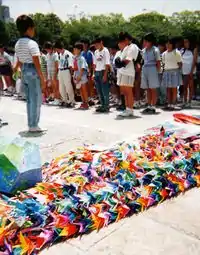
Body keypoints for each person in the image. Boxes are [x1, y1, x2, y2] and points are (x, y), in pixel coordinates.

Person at [14, 15, 45, 132]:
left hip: (25, 71)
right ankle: (34, 125)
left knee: (29, 100)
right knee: (36, 99)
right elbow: (36, 61)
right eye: (33, 28)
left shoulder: (18, 44)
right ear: (29, 29)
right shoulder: (32, 43)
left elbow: (20, 60)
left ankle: (31, 123)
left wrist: (20, 72)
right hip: (33, 70)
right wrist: (42, 77)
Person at [115, 32, 139, 117]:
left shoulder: (133, 47)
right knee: (124, 92)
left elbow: (128, 60)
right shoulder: (126, 47)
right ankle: (127, 108)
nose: (121, 43)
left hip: (128, 72)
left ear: (126, 40)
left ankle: (130, 109)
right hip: (122, 72)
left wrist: (120, 63)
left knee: (128, 91)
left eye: (122, 41)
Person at [141, 33, 161, 114]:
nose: (145, 43)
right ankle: (148, 105)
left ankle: (153, 106)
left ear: (151, 42)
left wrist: (159, 72)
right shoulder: (143, 51)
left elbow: (158, 62)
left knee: (153, 88)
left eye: (146, 41)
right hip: (145, 68)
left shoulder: (155, 50)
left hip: (153, 68)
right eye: (144, 41)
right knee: (147, 89)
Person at [162, 38, 182, 110]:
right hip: (166, 71)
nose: (167, 45)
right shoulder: (164, 53)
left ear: (173, 44)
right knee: (168, 88)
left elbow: (180, 64)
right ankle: (169, 103)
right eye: (166, 43)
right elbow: (163, 64)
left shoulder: (176, 52)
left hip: (174, 71)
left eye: (169, 43)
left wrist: (176, 70)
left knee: (174, 88)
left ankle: (173, 103)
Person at [54, 41, 75, 107]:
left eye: (56, 49)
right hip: (61, 70)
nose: (56, 50)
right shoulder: (60, 54)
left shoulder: (68, 54)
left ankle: (72, 101)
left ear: (59, 48)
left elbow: (71, 65)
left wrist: (71, 74)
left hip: (66, 70)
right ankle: (64, 100)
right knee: (61, 87)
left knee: (68, 86)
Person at [93, 37, 111, 113]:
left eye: (97, 44)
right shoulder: (96, 52)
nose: (96, 46)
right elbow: (94, 64)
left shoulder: (105, 51)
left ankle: (106, 105)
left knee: (104, 90)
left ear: (101, 43)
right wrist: (93, 74)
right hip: (97, 71)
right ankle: (102, 104)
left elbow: (107, 64)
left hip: (103, 71)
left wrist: (105, 75)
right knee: (99, 90)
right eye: (95, 45)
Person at [73, 42, 89, 109]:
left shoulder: (82, 58)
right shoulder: (75, 58)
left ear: (79, 50)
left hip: (82, 76)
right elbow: (75, 68)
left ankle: (86, 103)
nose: (74, 50)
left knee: (84, 90)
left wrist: (79, 76)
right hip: (77, 76)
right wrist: (74, 75)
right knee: (80, 90)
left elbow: (83, 68)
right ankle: (83, 102)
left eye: (75, 49)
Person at [181, 37, 194, 108]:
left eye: (187, 42)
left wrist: (191, 72)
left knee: (191, 87)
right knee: (184, 87)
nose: (185, 43)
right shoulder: (182, 51)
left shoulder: (193, 50)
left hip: (191, 71)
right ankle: (184, 101)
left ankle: (190, 102)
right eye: (184, 42)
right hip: (184, 71)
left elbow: (194, 61)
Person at [81, 39, 95, 105]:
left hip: (89, 72)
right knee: (85, 86)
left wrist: (90, 73)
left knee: (90, 86)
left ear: (87, 45)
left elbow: (91, 64)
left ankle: (91, 98)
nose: (83, 45)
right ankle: (87, 98)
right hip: (83, 72)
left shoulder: (89, 53)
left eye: (84, 44)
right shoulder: (82, 53)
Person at [157, 38, 167, 105]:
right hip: (157, 72)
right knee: (157, 87)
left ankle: (164, 100)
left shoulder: (165, 54)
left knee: (163, 88)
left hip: (164, 72)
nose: (159, 47)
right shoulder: (156, 54)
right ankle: (159, 100)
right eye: (159, 46)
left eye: (161, 46)